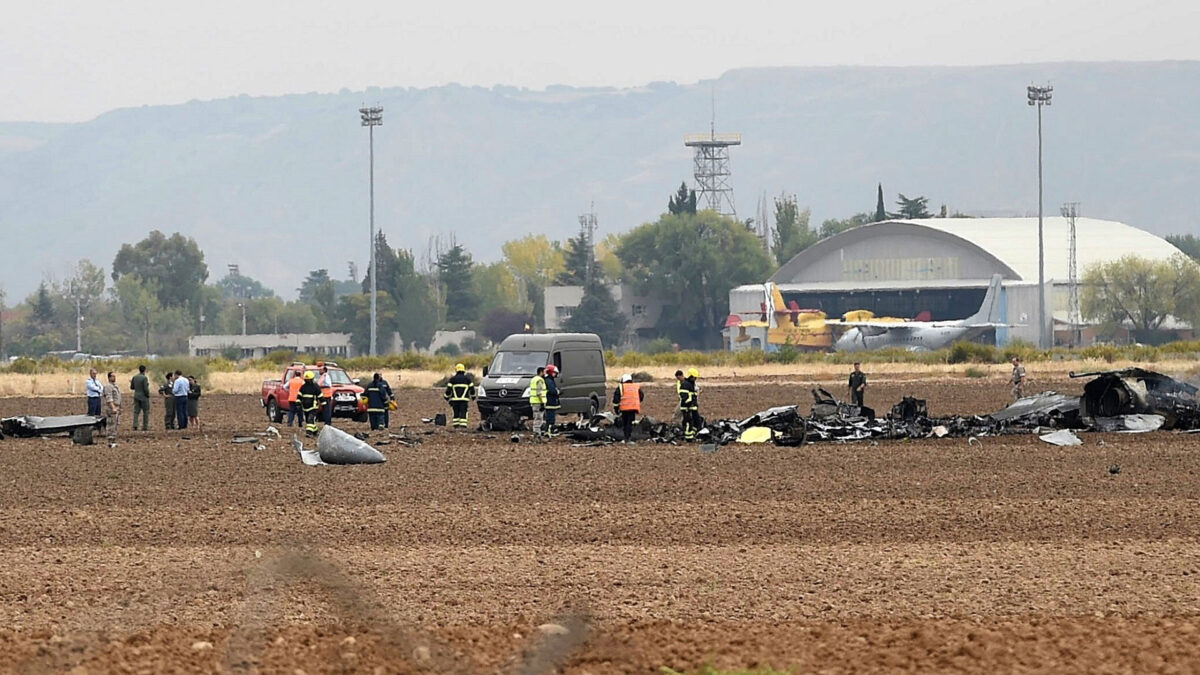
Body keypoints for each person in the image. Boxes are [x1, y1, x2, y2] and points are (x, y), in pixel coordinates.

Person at [611, 373, 645, 444]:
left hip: (624, 409)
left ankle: (626, 438)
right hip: (633, 408)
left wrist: (616, 408)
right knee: (630, 423)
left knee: (625, 423)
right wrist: (636, 402)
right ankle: (628, 438)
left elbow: (616, 399)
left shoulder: (621, 387)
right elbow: (641, 396)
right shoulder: (636, 386)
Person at [443, 363, 476, 431]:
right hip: (464, 400)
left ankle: (456, 425)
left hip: (455, 400)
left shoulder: (452, 379)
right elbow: (472, 389)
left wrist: (446, 397)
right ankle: (463, 426)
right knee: (463, 412)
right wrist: (473, 397)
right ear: (463, 370)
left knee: (456, 412)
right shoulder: (467, 379)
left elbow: (448, 390)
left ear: (456, 370)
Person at [298, 370, 324, 437]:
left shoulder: (315, 386)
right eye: (306, 379)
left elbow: (320, 396)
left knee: (310, 419)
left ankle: (309, 433)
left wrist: (324, 404)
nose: (307, 381)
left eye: (308, 379)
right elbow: (299, 396)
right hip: (305, 407)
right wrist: (298, 403)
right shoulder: (303, 387)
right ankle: (315, 431)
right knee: (309, 421)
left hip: (313, 407)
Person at [679, 368, 701, 441]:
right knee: (688, 421)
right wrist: (689, 404)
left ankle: (693, 434)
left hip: (693, 407)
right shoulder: (685, 384)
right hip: (687, 407)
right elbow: (684, 397)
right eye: (694, 377)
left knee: (697, 421)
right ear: (690, 376)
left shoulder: (692, 384)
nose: (695, 379)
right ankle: (688, 437)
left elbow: (693, 395)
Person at [102, 371, 122, 447]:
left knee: (115, 424)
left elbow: (118, 397)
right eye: (113, 376)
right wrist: (113, 407)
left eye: (115, 376)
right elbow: (109, 398)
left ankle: (113, 440)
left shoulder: (115, 386)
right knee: (111, 424)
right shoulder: (108, 387)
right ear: (109, 377)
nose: (114, 377)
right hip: (111, 408)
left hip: (117, 407)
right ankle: (110, 441)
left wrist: (120, 408)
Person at [130, 364, 151, 431]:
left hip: (136, 396)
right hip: (144, 397)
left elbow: (132, 387)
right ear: (144, 370)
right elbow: (146, 389)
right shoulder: (144, 378)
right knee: (146, 412)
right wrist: (148, 395)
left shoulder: (135, 377)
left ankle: (135, 425)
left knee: (136, 412)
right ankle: (145, 426)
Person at [543, 365, 561, 437]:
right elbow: (552, 391)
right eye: (554, 373)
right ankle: (549, 431)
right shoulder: (549, 381)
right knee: (550, 417)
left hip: (550, 401)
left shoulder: (549, 380)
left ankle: (549, 430)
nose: (556, 374)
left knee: (550, 416)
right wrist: (558, 392)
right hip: (550, 401)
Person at [528, 366, 547, 435]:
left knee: (535, 417)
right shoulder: (539, 380)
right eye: (544, 372)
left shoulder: (533, 379)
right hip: (538, 402)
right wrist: (542, 402)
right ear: (541, 372)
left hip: (533, 401)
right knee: (538, 418)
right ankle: (537, 433)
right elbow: (539, 393)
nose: (545, 374)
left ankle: (536, 432)